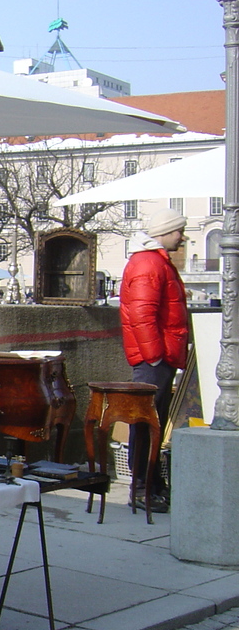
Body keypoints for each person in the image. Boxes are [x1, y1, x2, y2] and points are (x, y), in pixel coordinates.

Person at [119, 208, 189, 513]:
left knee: (151, 422)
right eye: (178, 231)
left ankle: (149, 486)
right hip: (155, 359)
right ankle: (143, 488)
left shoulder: (151, 261)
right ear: (165, 232)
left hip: (158, 357)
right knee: (147, 423)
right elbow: (142, 314)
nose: (182, 236)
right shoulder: (150, 263)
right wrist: (155, 355)